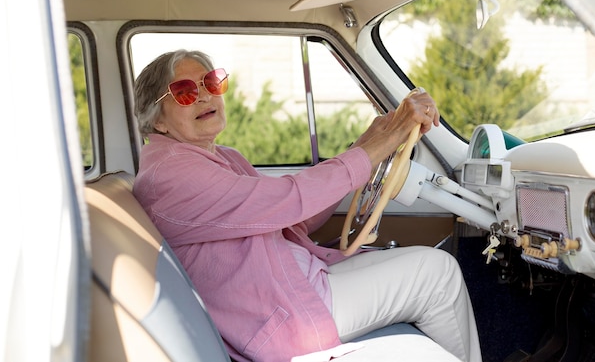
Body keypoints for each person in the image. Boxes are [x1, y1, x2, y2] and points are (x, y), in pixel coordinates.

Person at [133, 49, 482, 362]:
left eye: (210, 82)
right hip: (278, 316)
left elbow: (293, 219)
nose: (204, 96)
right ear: (157, 119)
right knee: (439, 275)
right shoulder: (170, 174)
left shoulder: (222, 157)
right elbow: (290, 198)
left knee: (432, 265)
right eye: (184, 92)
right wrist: (379, 144)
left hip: (295, 281)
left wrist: (365, 148)